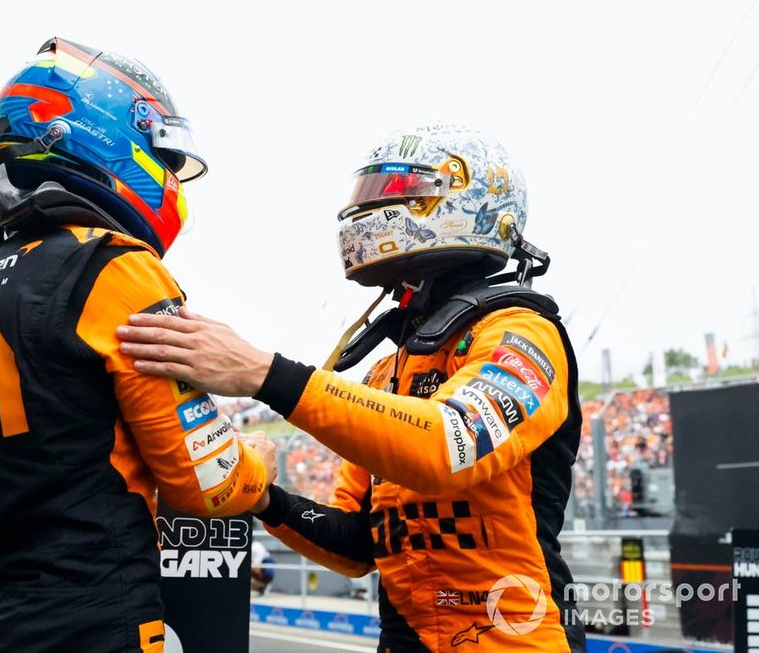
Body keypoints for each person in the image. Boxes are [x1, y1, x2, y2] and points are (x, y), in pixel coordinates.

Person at [118, 125, 586, 651]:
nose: (368, 210)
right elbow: (359, 545)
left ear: (464, 199)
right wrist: (259, 494)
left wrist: (262, 374)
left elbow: (445, 445)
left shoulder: (525, 333)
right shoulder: (387, 371)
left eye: (391, 193)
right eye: (366, 195)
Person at [0, 38, 277, 652]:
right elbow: (205, 482)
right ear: (103, 136)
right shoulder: (115, 268)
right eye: (160, 156)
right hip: (98, 619)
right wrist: (258, 464)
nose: (167, 175)